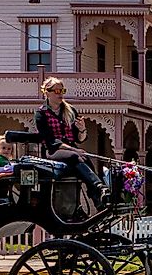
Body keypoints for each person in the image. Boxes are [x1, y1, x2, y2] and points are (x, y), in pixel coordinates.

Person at [34, 76, 106, 208]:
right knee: (75, 156)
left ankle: (98, 200)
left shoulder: (70, 110)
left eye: (62, 91)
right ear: (47, 92)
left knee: (85, 158)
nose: (60, 94)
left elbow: (79, 139)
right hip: (52, 151)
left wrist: (82, 129)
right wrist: (74, 150)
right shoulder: (41, 113)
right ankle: (98, 187)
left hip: (72, 149)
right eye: (56, 91)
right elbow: (51, 141)